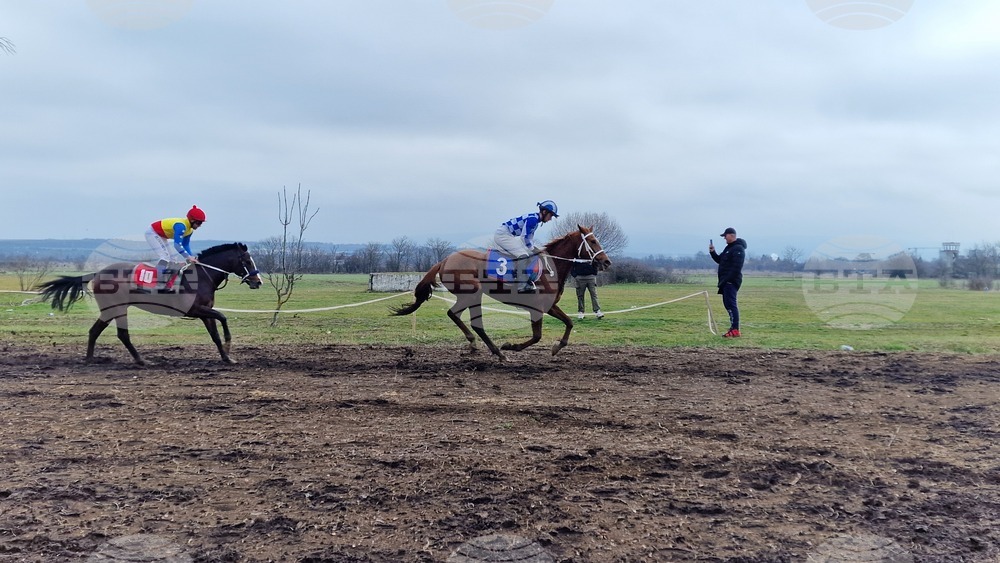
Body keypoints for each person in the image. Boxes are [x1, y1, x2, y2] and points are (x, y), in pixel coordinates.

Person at [494, 200, 558, 293]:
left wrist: (535, 250)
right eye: (551, 215)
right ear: (544, 212)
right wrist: (534, 249)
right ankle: (521, 285)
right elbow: (524, 238)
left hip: (509, 235)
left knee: (530, 254)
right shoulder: (533, 220)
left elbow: (529, 240)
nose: (550, 219)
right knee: (523, 255)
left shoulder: (535, 221)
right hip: (503, 235)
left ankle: (522, 277)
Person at [145, 205, 205, 278]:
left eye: (201, 223)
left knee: (173, 259)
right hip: (152, 232)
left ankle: (167, 280)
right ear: (192, 220)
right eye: (199, 223)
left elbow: (185, 245)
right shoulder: (181, 226)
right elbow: (177, 245)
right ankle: (156, 279)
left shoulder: (190, 230)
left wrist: (191, 256)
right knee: (165, 257)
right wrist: (188, 257)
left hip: (161, 235)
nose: (200, 226)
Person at [709, 227, 746, 337]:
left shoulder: (738, 249)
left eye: (725, 236)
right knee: (727, 305)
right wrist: (712, 252)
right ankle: (733, 328)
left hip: (731, 282)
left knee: (731, 305)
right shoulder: (728, 248)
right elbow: (720, 260)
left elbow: (736, 268)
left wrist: (727, 280)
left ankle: (735, 329)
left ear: (732, 235)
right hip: (725, 282)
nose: (724, 238)